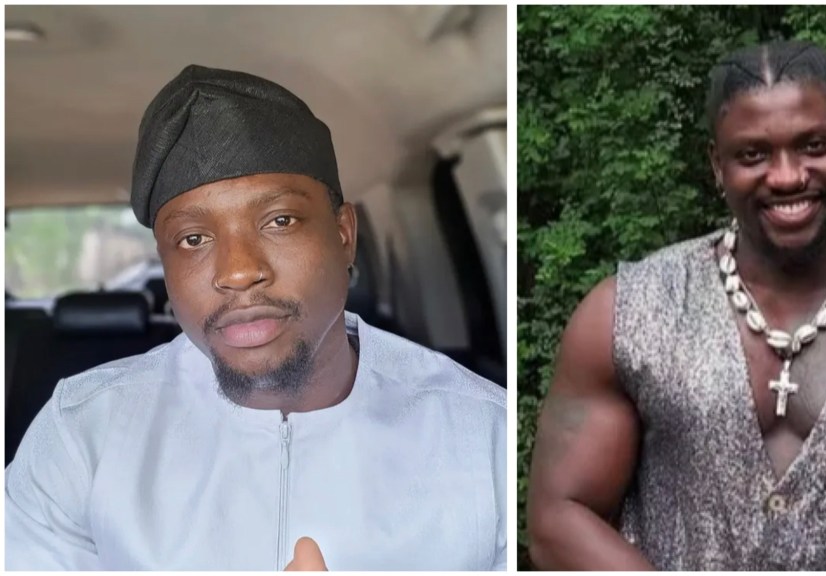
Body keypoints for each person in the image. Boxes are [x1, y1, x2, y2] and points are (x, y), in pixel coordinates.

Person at [526, 40, 826, 571]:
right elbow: (558, 519)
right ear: (717, 165)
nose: (786, 176)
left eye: (813, 145)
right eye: (753, 154)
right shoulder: (627, 314)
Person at [5, 65, 507, 571]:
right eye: (193, 239)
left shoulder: (484, 435)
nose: (239, 272)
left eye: (279, 221)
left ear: (344, 235)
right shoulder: (82, 433)